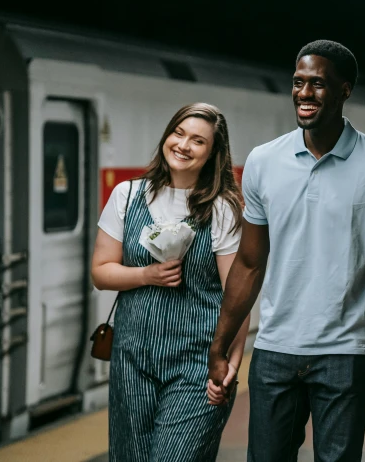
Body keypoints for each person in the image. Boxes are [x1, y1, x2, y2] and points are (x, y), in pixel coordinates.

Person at [207, 41, 365, 461]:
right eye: (298, 82)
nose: (304, 93)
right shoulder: (263, 161)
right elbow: (250, 263)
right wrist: (221, 344)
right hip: (274, 350)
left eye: (318, 84)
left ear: (345, 91)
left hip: (345, 354)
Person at [92, 103, 249, 461]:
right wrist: (145, 274)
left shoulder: (222, 209)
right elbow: (101, 271)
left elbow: (237, 297)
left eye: (197, 141)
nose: (183, 145)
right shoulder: (127, 196)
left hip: (198, 363)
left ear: (212, 154)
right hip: (133, 359)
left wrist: (232, 366)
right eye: (178, 133)